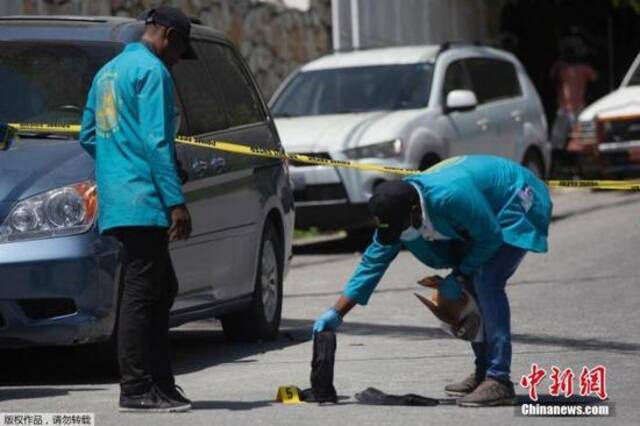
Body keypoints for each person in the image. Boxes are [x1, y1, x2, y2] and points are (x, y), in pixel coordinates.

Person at [313, 155, 552, 407]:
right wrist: (336, 313)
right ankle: (483, 371)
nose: (400, 237)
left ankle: (499, 380)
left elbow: (490, 237)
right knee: (469, 282)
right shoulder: (396, 210)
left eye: (401, 229)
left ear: (416, 211)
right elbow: (372, 263)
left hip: (515, 197)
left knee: (485, 279)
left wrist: (459, 274)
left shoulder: (450, 198)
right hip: (481, 210)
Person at [79, 6, 196, 413]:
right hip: (144, 198)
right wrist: (176, 201)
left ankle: (162, 383)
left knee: (162, 289)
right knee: (141, 294)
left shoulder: (107, 72)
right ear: (166, 34)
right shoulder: (153, 72)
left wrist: (118, 161)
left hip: (118, 195)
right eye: (180, 48)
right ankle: (135, 388)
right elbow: (157, 141)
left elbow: (89, 135)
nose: (179, 58)